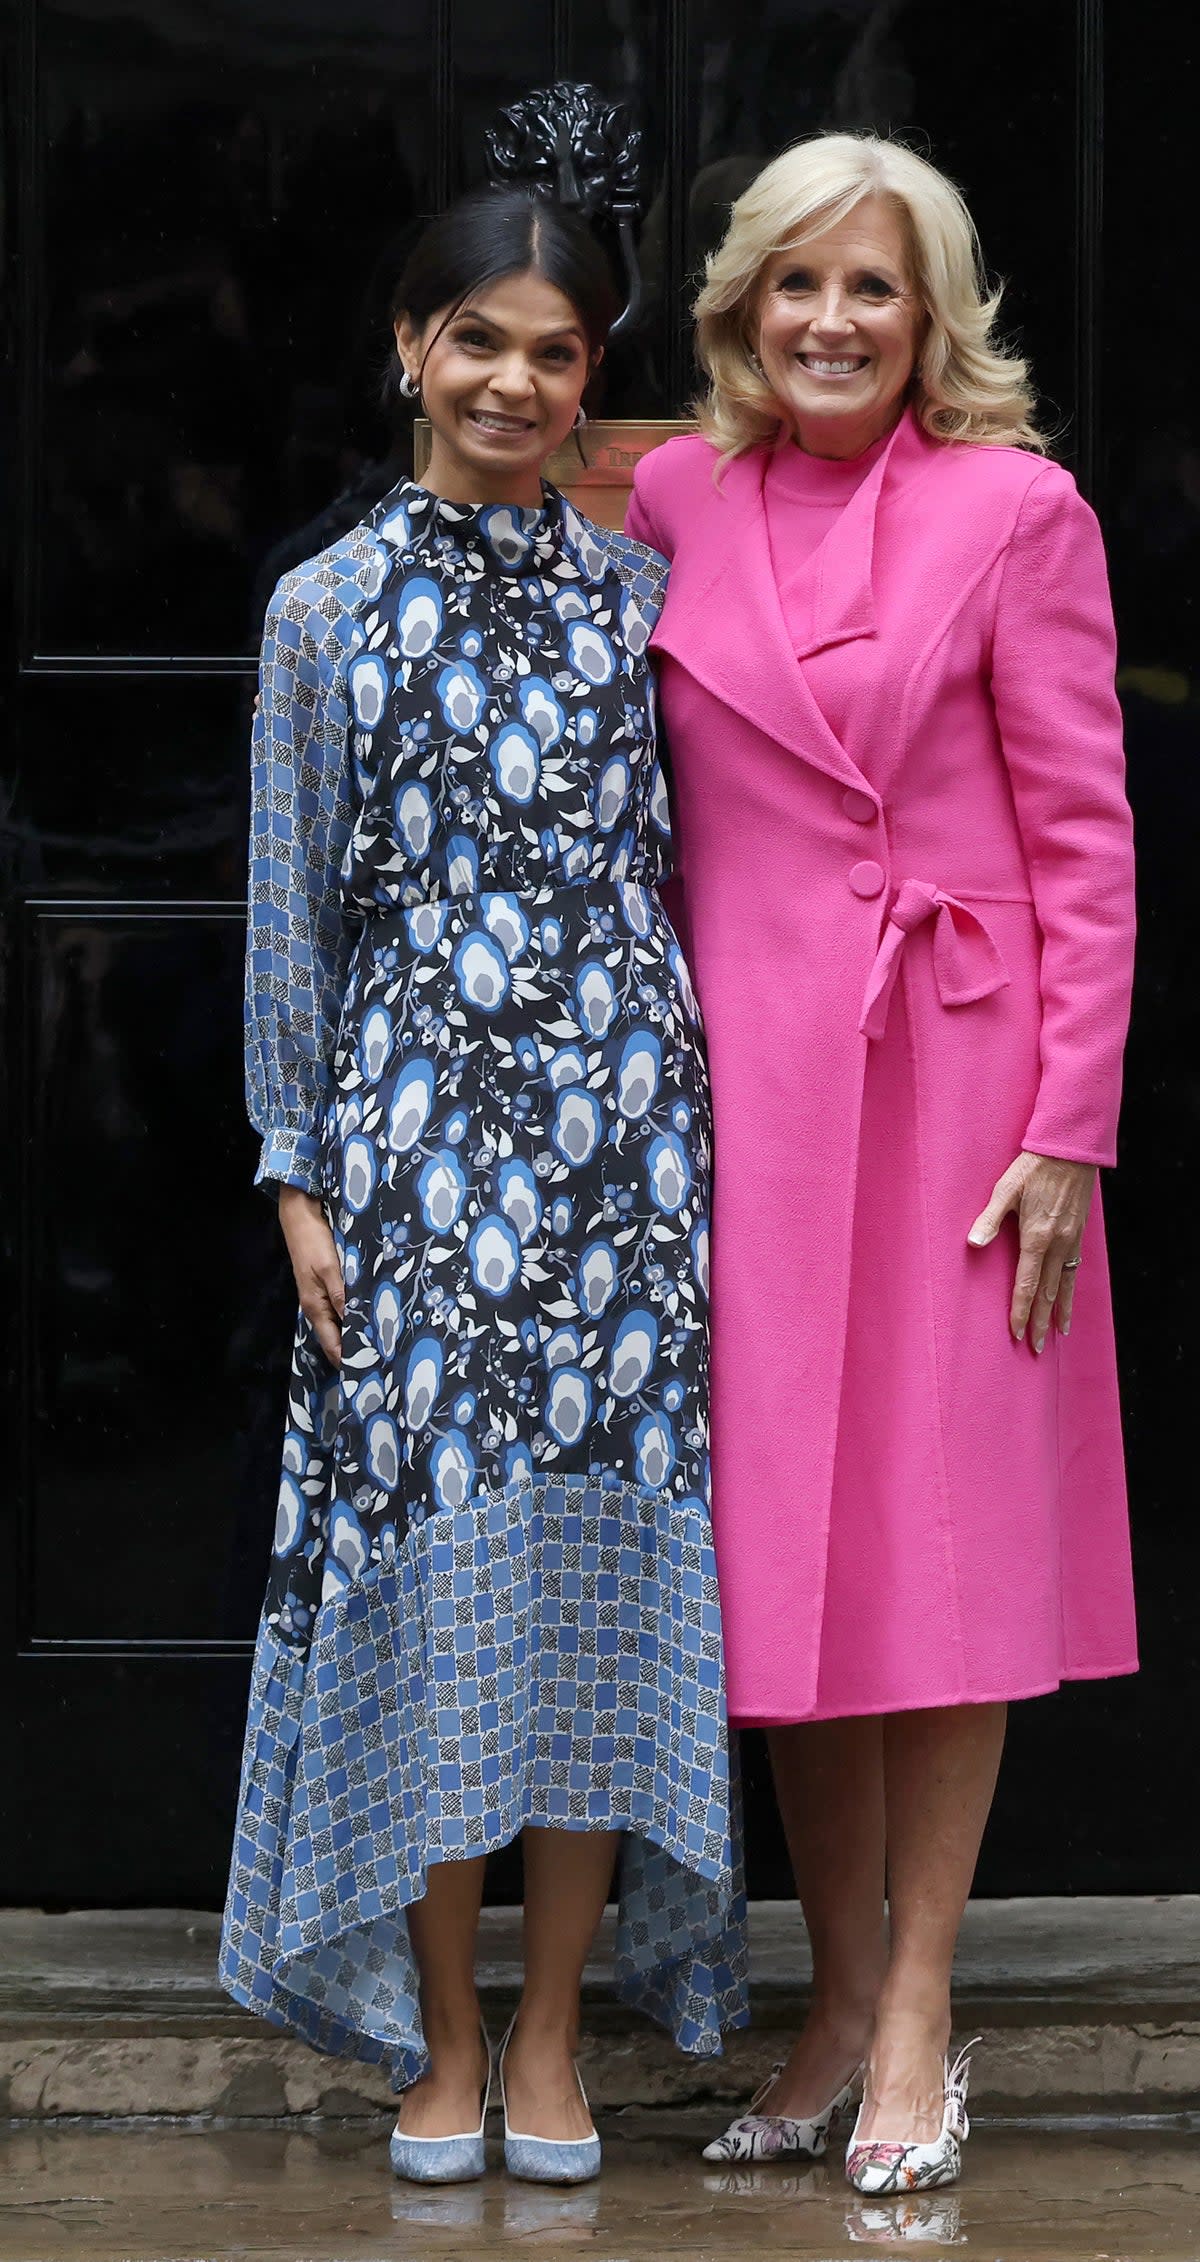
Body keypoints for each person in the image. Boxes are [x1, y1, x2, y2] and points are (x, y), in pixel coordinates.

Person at [219, 186, 746, 2189]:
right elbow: (293, 914)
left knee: (603, 1598)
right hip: (416, 1162)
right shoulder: (325, 613)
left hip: (626, 1162)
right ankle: (440, 2038)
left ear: (587, 381)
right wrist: (297, 1180)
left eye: (557, 351)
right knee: (447, 1609)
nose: (517, 379)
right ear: (410, 347)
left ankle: (549, 2042)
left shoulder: (643, 602)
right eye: (483, 340)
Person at [626, 132, 1136, 2196]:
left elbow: (1091, 846)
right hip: (743, 1095)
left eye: (876, 289)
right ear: (740, 309)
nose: (832, 322)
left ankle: (921, 2005)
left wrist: (1068, 1134)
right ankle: (829, 1999)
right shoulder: (668, 497)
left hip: (959, 1093)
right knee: (784, 1574)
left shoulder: (1024, 512)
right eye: (797, 287)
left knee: (943, 1563)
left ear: (934, 319)